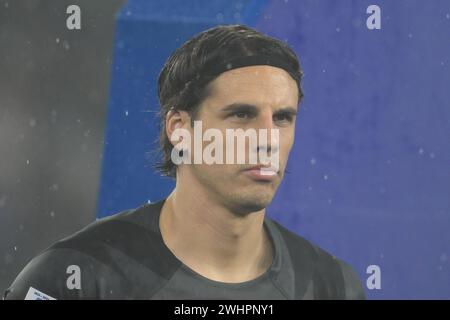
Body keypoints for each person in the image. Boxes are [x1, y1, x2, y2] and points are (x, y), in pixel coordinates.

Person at [4, 24, 365, 300]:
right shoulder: (77, 277)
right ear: (179, 129)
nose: (268, 139)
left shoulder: (332, 285)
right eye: (241, 115)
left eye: (283, 118)